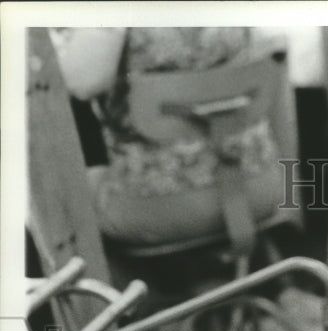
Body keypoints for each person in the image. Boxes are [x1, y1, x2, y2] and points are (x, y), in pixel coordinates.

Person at [50, 27, 286, 246]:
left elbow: (81, 84)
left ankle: (103, 277)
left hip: (153, 207)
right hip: (257, 187)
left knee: (54, 191)